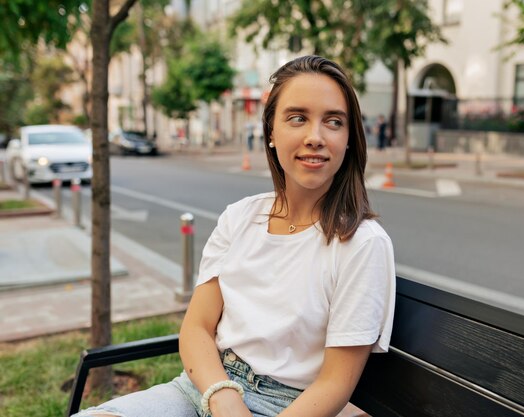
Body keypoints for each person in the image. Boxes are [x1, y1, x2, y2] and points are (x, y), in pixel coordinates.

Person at [73, 55, 396, 417]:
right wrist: (222, 396)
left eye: (333, 122)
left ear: (349, 138)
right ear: (271, 132)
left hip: (288, 405)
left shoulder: (362, 244)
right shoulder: (241, 217)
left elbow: (335, 383)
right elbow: (196, 327)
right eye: (297, 118)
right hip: (205, 387)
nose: (315, 137)